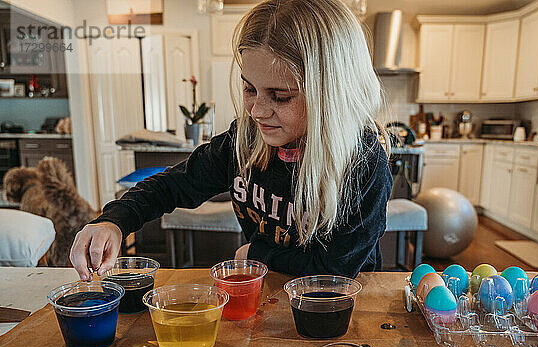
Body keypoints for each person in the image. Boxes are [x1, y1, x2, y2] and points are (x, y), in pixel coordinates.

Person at [69, 0, 392, 281]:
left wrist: (257, 252)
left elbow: (333, 270)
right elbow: (170, 186)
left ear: (332, 95)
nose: (257, 111)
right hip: (268, 291)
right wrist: (114, 221)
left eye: (279, 97)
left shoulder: (362, 162)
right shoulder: (246, 141)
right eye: (249, 89)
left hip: (347, 306)